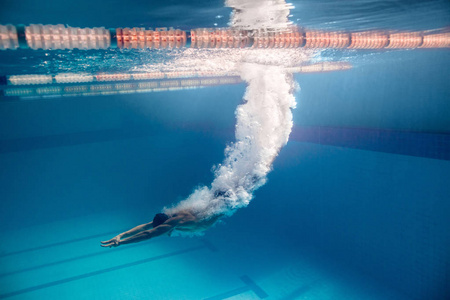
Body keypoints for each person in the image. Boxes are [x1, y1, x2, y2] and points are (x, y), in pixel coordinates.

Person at [100, 210, 223, 248]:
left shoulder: (174, 222)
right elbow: (144, 226)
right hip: (213, 211)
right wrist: (120, 235)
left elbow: (148, 234)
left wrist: (121, 243)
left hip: (219, 211)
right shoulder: (169, 218)